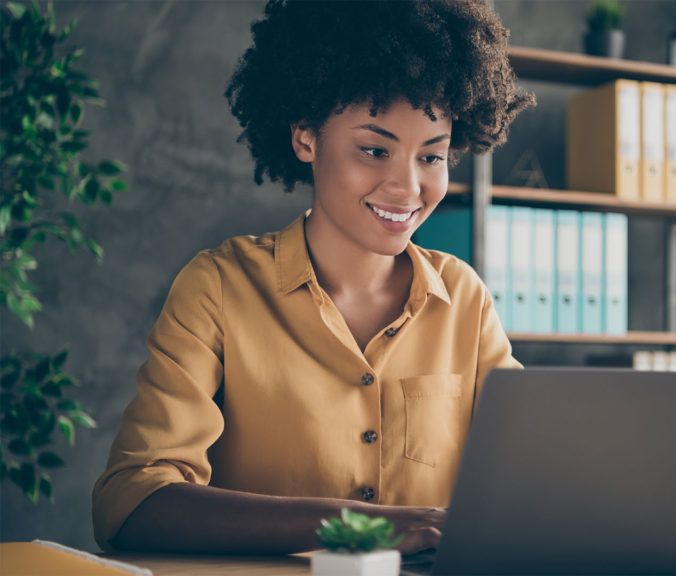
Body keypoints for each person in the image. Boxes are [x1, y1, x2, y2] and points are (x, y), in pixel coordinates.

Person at [92, 0, 535, 555]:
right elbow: (131, 503)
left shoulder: (465, 299)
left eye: (431, 157)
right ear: (306, 138)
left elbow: (525, 482)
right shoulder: (219, 288)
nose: (407, 187)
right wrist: (364, 527)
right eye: (374, 150)